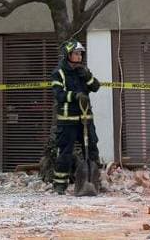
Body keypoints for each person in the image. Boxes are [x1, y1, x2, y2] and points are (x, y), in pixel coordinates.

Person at [50, 39, 102, 194]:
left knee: (92, 149)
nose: (79, 57)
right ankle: (60, 184)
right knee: (65, 152)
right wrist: (76, 96)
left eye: (81, 54)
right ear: (68, 55)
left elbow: (96, 87)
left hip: (85, 119)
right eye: (76, 54)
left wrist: (88, 76)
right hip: (67, 121)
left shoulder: (83, 70)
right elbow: (59, 95)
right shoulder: (58, 72)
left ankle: (93, 181)